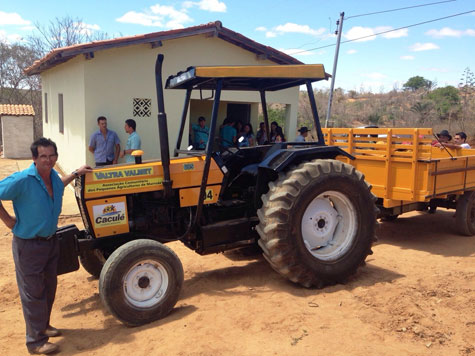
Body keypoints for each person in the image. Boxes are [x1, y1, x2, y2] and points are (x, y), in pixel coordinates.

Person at [0, 138, 91, 355]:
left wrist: (77, 173)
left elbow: (62, 182)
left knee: (49, 288)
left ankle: (44, 326)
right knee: (33, 293)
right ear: (34, 158)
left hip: (51, 242)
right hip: (28, 245)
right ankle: (35, 342)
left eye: (52, 156)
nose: (48, 160)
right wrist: (7, 220)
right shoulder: (22, 179)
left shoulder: (52, 178)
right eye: (43, 156)